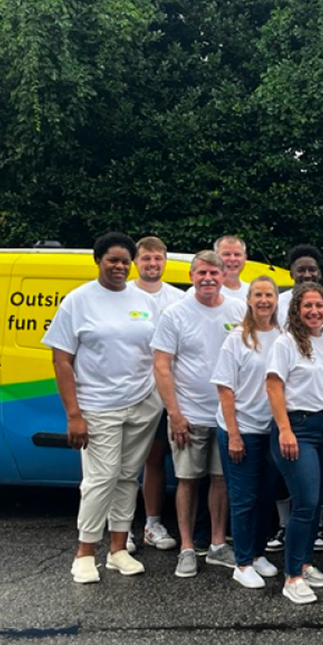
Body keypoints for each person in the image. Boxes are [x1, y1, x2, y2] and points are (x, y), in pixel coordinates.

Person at [44, 232, 162, 584]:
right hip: (98, 406)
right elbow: (61, 361)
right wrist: (74, 414)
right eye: (113, 260)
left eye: (125, 261)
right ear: (98, 260)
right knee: (101, 478)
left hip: (142, 403)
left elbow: (158, 352)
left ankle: (118, 550)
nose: (120, 267)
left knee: (127, 477)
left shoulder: (143, 301)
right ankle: (84, 553)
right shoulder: (78, 301)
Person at [151, 250, 247, 578]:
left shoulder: (238, 309)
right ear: (192, 276)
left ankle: (218, 545)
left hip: (225, 416)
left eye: (214, 273)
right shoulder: (175, 314)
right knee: (187, 481)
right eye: (201, 273)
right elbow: (161, 366)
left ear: (224, 277)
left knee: (221, 481)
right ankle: (188, 548)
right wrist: (174, 414)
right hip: (188, 415)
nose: (208, 279)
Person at [265, 283, 323, 604]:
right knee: (303, 503)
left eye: (319, 306)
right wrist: (284, 429)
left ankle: (304, 562)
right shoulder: (286, 343)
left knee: (316, 501)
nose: (314, 311)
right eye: (308, 306)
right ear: (296, 310)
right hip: (297, 427)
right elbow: (274, 387)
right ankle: (293, 576)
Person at [211, 275, 284, 589]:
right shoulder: (237, 338)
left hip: (271, 430)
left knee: (266, 497)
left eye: (269, 295)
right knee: (243, 498)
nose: (264, 300)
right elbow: (225, 390)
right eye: (258, 295)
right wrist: (235, 434)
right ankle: (241, 563)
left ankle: (256, 553)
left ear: (276, 300)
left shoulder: (284, 336)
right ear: (249, 300)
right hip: (241, 429)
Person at [132, 236, 184, 553]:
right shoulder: (122, 295)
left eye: (158, 258)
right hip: (132, 391)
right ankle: (120, 528)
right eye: (147, 258)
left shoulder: (178, 298)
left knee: (160, 459)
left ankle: (153, 524)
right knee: (127, 462)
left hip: (170, 392)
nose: (153, 264)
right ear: (137, 261)